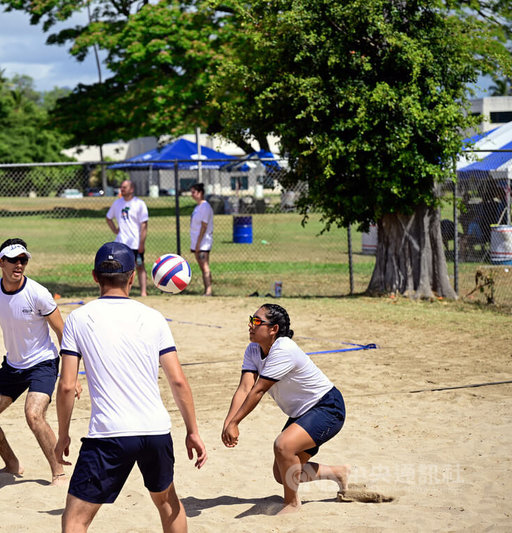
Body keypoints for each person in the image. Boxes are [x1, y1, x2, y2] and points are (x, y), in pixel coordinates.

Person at [55, 242, 207, 532]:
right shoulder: (153, 318)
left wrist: (63, 434)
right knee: (167, 504)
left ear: (94, 276)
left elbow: (66, 387)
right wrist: (193, 431)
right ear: (133, 277)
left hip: (109, 434)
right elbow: (178, 380)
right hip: (155, 431)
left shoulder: (77, 319)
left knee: (75, 519)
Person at [0, 238, 72, 485]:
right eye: (14, 260)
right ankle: (12, 464)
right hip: (13, 366)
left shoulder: (38, 293)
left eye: (23, 260)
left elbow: (63, 332)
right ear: (1, 262)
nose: (19, 265)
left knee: (33, 415)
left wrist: (72, 376)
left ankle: (58, 473)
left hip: (43, 363)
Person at [221, 303, 349, 514]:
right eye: (250, 320)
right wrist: (229, 422)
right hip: (303, 413)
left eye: (256, 321)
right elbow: (245, 387)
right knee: (283, 474)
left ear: (274, 329)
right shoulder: (253, 349)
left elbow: (258, 390)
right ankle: (338, 472)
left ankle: (291, 503)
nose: (250, 326)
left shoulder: (284, 349)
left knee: (283, 446)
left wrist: (235, 422)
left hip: (328, 407)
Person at [106, 180, 149, 297]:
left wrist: (142, 243)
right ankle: (121, 292)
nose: (122, 189)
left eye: (124, 187)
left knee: (139, 266)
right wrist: (115, 230)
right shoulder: (117, 203)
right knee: (119, 269)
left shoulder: (139, 204)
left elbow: (144, 225)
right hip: (120, 242)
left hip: (135, 243)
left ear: (132, 189)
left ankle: (143, 292)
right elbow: (108, 217)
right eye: (121, 187)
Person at [189, 183, 213, 296]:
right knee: (202, 267)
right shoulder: (197, 207)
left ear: (200, 193)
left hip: (203, 243)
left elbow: (204, 226)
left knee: (205, 266)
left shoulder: (205, 207)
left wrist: (198, 244)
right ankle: (206, 289)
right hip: (196, 243)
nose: (192, 195)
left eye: (194, 192)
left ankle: (208, 290)